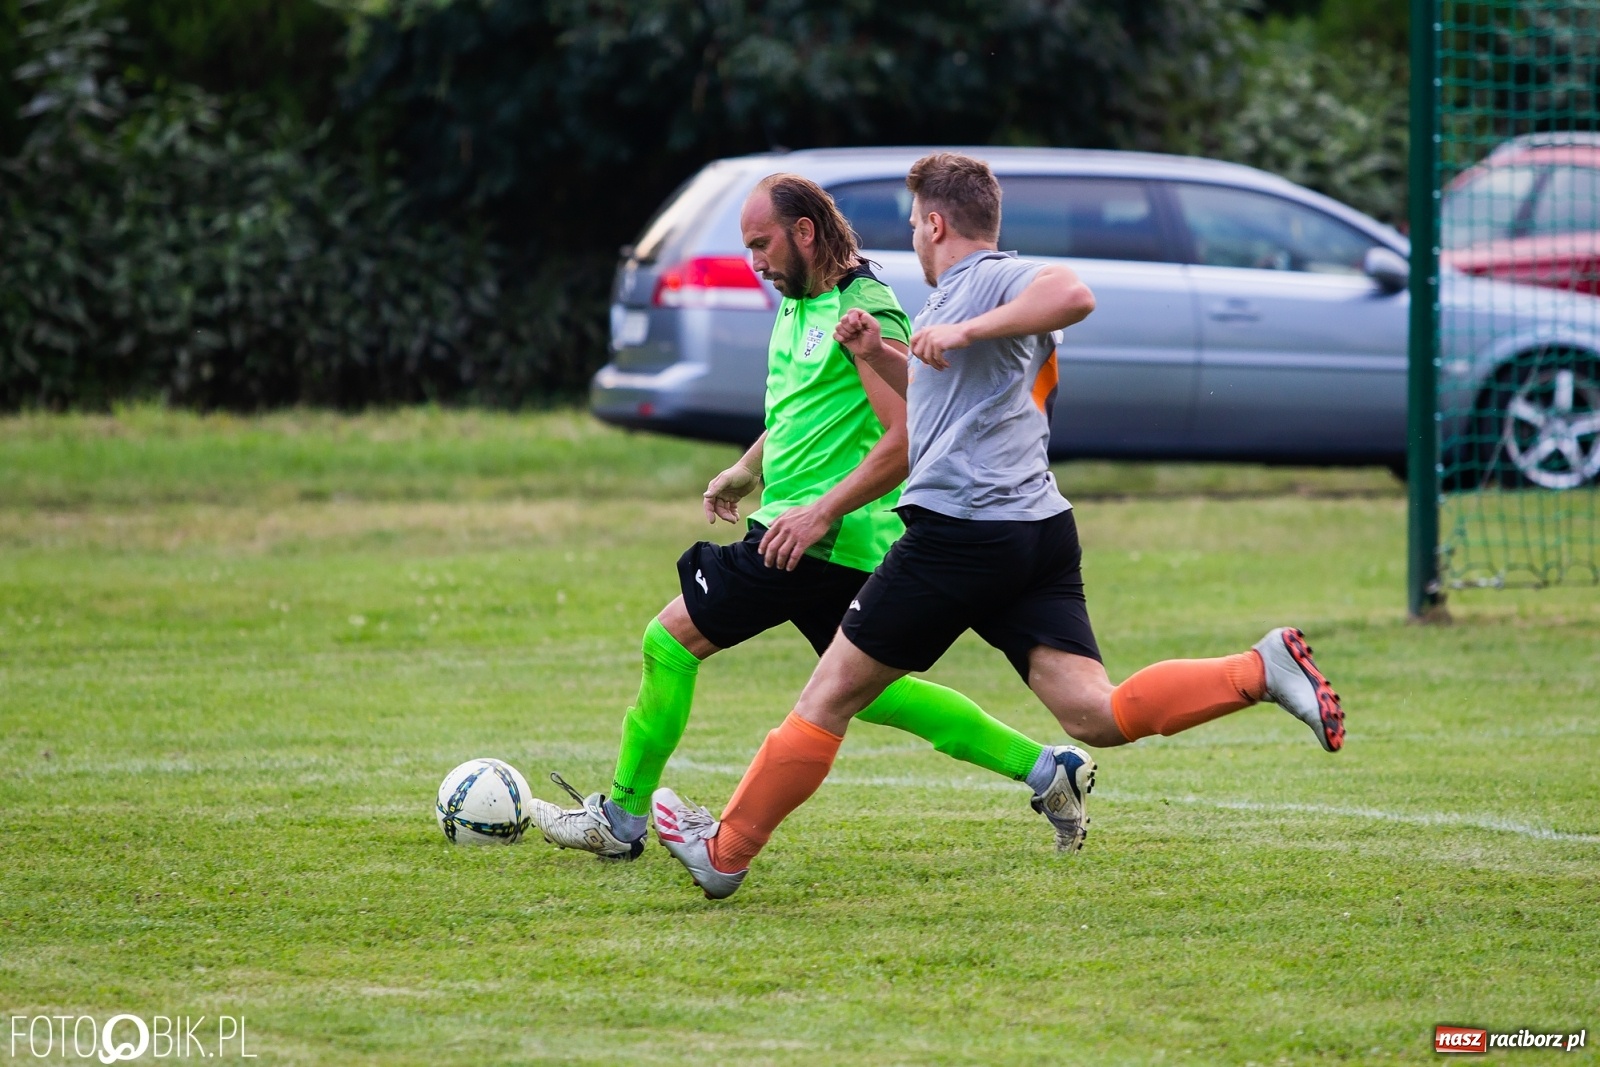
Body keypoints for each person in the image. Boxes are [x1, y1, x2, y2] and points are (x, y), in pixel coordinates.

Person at [653, 153, 1345, 899]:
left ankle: (725, 851)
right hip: (1035, 531)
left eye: (916, 223)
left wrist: (966, 327)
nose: (913, 239)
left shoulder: (988, 280)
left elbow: (1072, 293)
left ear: (936, 222)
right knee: (1095, 712)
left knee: (826, 698)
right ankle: (1260, 669)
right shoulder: (944, 303)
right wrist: (876, 352)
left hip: (960, 535)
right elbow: (940, 396)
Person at [528, 173, 1096, 861]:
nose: (755, 261)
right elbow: (804, 415)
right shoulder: (799, 303)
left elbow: (909, 435)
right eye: (747, 248)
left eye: (762, 244)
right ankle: (1047, 769)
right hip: (815, 538)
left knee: (669, 641)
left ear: (805, 233)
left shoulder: (867, 311)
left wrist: (818, 512)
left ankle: (620, 819)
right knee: (875, 693)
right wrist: (748, 467)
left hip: (812, 541)